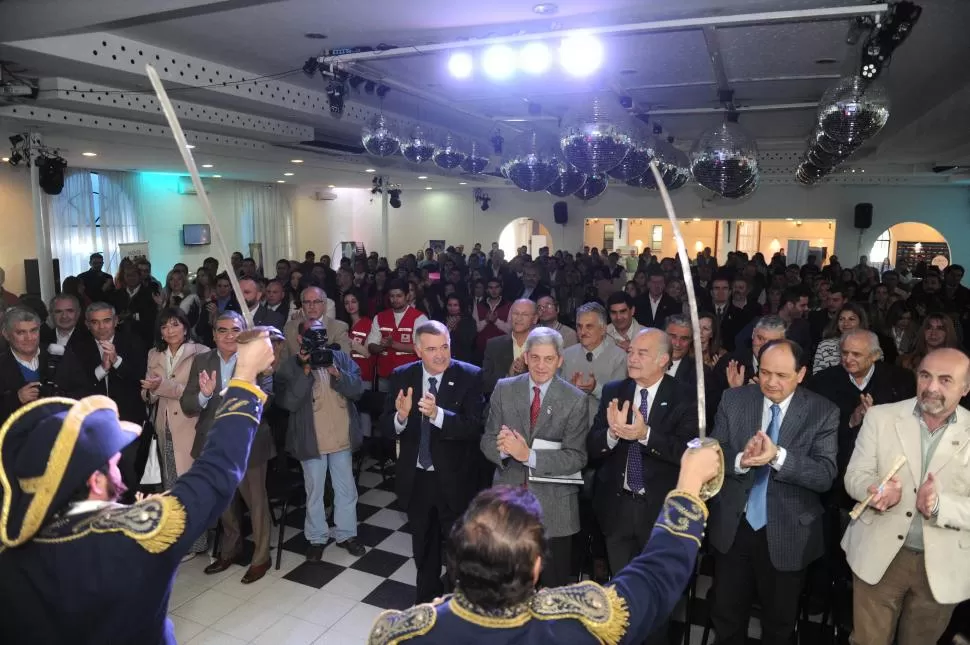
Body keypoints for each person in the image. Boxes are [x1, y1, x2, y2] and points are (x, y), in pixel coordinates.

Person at [0, 328, 276, 644]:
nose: (120, 473)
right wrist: (245, 377)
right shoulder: (137, 535)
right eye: (114, 464)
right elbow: (215, 473)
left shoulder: (10, 560)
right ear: (95, 479)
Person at [367, 444, 720, 645]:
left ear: (455, 556)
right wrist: (688, 486)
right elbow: (655, 580)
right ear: (537, 566)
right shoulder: (580, 624)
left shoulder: (400, 634)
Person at [707, 339, 838, 645]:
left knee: (779, 625)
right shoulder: (734, 400)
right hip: (734, 528)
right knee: (726, 615)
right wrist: (741, 460)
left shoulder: (822, 411)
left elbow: (824, 475)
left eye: (781, 375)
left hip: (789, 532)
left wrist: (778, 456)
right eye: (765, 373)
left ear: (801, 373)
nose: (771, 382)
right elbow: (715, 450)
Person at [842, 348, 970, 645]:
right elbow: (854, 476)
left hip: (943, 564)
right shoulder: (880, 417)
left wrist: (940, 506)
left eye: (945, 380)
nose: (932, 387)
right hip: (878, 556)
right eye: (925, 376)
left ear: (965, 388)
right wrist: (873, 491)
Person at [586, 327, 697, 645]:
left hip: (660, 516)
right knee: (623, 599)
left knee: (658, 601)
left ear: (664, 359)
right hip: (617, 511)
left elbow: (688, 452)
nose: (631, 358)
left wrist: (645, 435)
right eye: (630, 351)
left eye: (641, 353)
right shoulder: (613, 390)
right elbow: (592, 448)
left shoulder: (685, 396)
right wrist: (611, 433)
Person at [383, 320, 484, 603]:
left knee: (458, 549)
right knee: (423, 547)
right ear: (417, 350)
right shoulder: (401, 376)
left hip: (455, 480)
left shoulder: (470, 376)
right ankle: (426, 603)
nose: (440, 355)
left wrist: (438, 414)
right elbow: (385, 427)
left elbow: (474, 427)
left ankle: (456, 605)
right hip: (417, 479)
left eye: (445, 347)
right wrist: (400, 417)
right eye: (431, 349)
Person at [480, 327, 589, 587]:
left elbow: (576, 458)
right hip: (508, 507)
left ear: (560, 360)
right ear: (526, 357)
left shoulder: (574, 400)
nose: (541, 365)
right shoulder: (504, 389)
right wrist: (504, 450)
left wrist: (529, 455)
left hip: (555, 511)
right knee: (506, 587)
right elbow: (487, 439)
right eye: (536, 358)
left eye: (549, 359)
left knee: (551, 593)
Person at [181, 311, 276, 584]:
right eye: (222, 330)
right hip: (213, 444)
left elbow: (267, 399)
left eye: (235, 329)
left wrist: (238, 390)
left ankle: (260, 557)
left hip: (249, 442)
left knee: (256, 503)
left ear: (244, 332)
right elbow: (188, 404)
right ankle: (230, 550)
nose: (229, 335)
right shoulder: (202, 361)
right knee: (224, 504)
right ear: (213, 334)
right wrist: (204, 394)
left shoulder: (257, 358)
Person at [275, 319, 367, 561]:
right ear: (299, 339)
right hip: (311, 440)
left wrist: (338, 373)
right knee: (314, 491)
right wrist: (305, 371)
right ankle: (317, 538)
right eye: (311, 335)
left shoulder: (342, 359)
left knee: (346, 489)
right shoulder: (289, 367)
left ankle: (346, 534)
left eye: (321, 334)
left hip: (341, 437)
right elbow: (288, 403)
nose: (318, 340)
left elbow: (358, 390)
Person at [141, 306, 211, 557]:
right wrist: (149, 390)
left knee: (192, 486)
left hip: (191, 426)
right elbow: (148, 393)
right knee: (172, 486)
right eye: (164, 326)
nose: (169, 330)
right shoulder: (154, 353)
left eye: (174, 324)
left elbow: (194, 391)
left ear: (185, 326)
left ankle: (196, 543)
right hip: (164, 426)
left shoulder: (200, 352)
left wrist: (163, 386)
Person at [73, 302, 148, 499]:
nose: (102, 327)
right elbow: (75, 385)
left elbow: (140, 379)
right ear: (87, 324)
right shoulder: (78, 348)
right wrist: (102, 370)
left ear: (116, 321)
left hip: (128, 422)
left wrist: (117, 362)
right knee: (97, 477)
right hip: (93, 426)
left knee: (129, 473)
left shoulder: (134, 342)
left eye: (106, 321)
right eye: (95, 322)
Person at [0, 307, 89, 425]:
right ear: (6, 334)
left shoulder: (61, 354)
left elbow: (85, 392)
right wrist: (17, 399)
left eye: (33, 330)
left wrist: (57, 399)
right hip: (17, 439)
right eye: (21, 332)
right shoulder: (2, 364)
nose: (29, 338)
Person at [561, 303, 627, 424]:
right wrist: (570, 388)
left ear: (603, 329)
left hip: (604, 428)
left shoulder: (620, 358)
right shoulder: (566, 355)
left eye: (589, 326)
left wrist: (595, 388)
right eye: (579, 326)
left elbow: (620, 401)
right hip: (571, 428)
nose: (583, 332)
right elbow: (557, 396)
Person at [368, 279, 429, 393]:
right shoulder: (380, 317)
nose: (395, 299)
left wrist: (393, 344)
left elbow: (422, 347)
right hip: (385, 376)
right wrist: (382, 347)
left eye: (399, 296)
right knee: (385, 408)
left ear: (407, 296)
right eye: (392, 296)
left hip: (410, 377)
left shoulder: (419, 318)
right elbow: (371, 345)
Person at [482, 299, 537, 396]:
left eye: (524, 315)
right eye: (515, 313)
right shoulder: (494, 345)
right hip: (501, 404)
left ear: (535, 318)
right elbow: (485, 384)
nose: (519, 318)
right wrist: (508, 375)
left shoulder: (542, 347)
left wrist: (527, 372)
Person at [282, 286, 351, 359]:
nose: (311, 306)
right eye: (307, 302)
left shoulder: (339, 328)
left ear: (324, 305)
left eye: (316, 301)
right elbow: (283, 361)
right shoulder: (289, 328)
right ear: (302, 305)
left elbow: (345, 360)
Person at [441, 293, 478, 364]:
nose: (452, 308)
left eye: (455, 305)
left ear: (461, 306)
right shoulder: (442, 319)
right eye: (449, 305)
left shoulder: (469, 321)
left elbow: (468, 342)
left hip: (463, 360)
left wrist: (455, 329)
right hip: (445, 358)